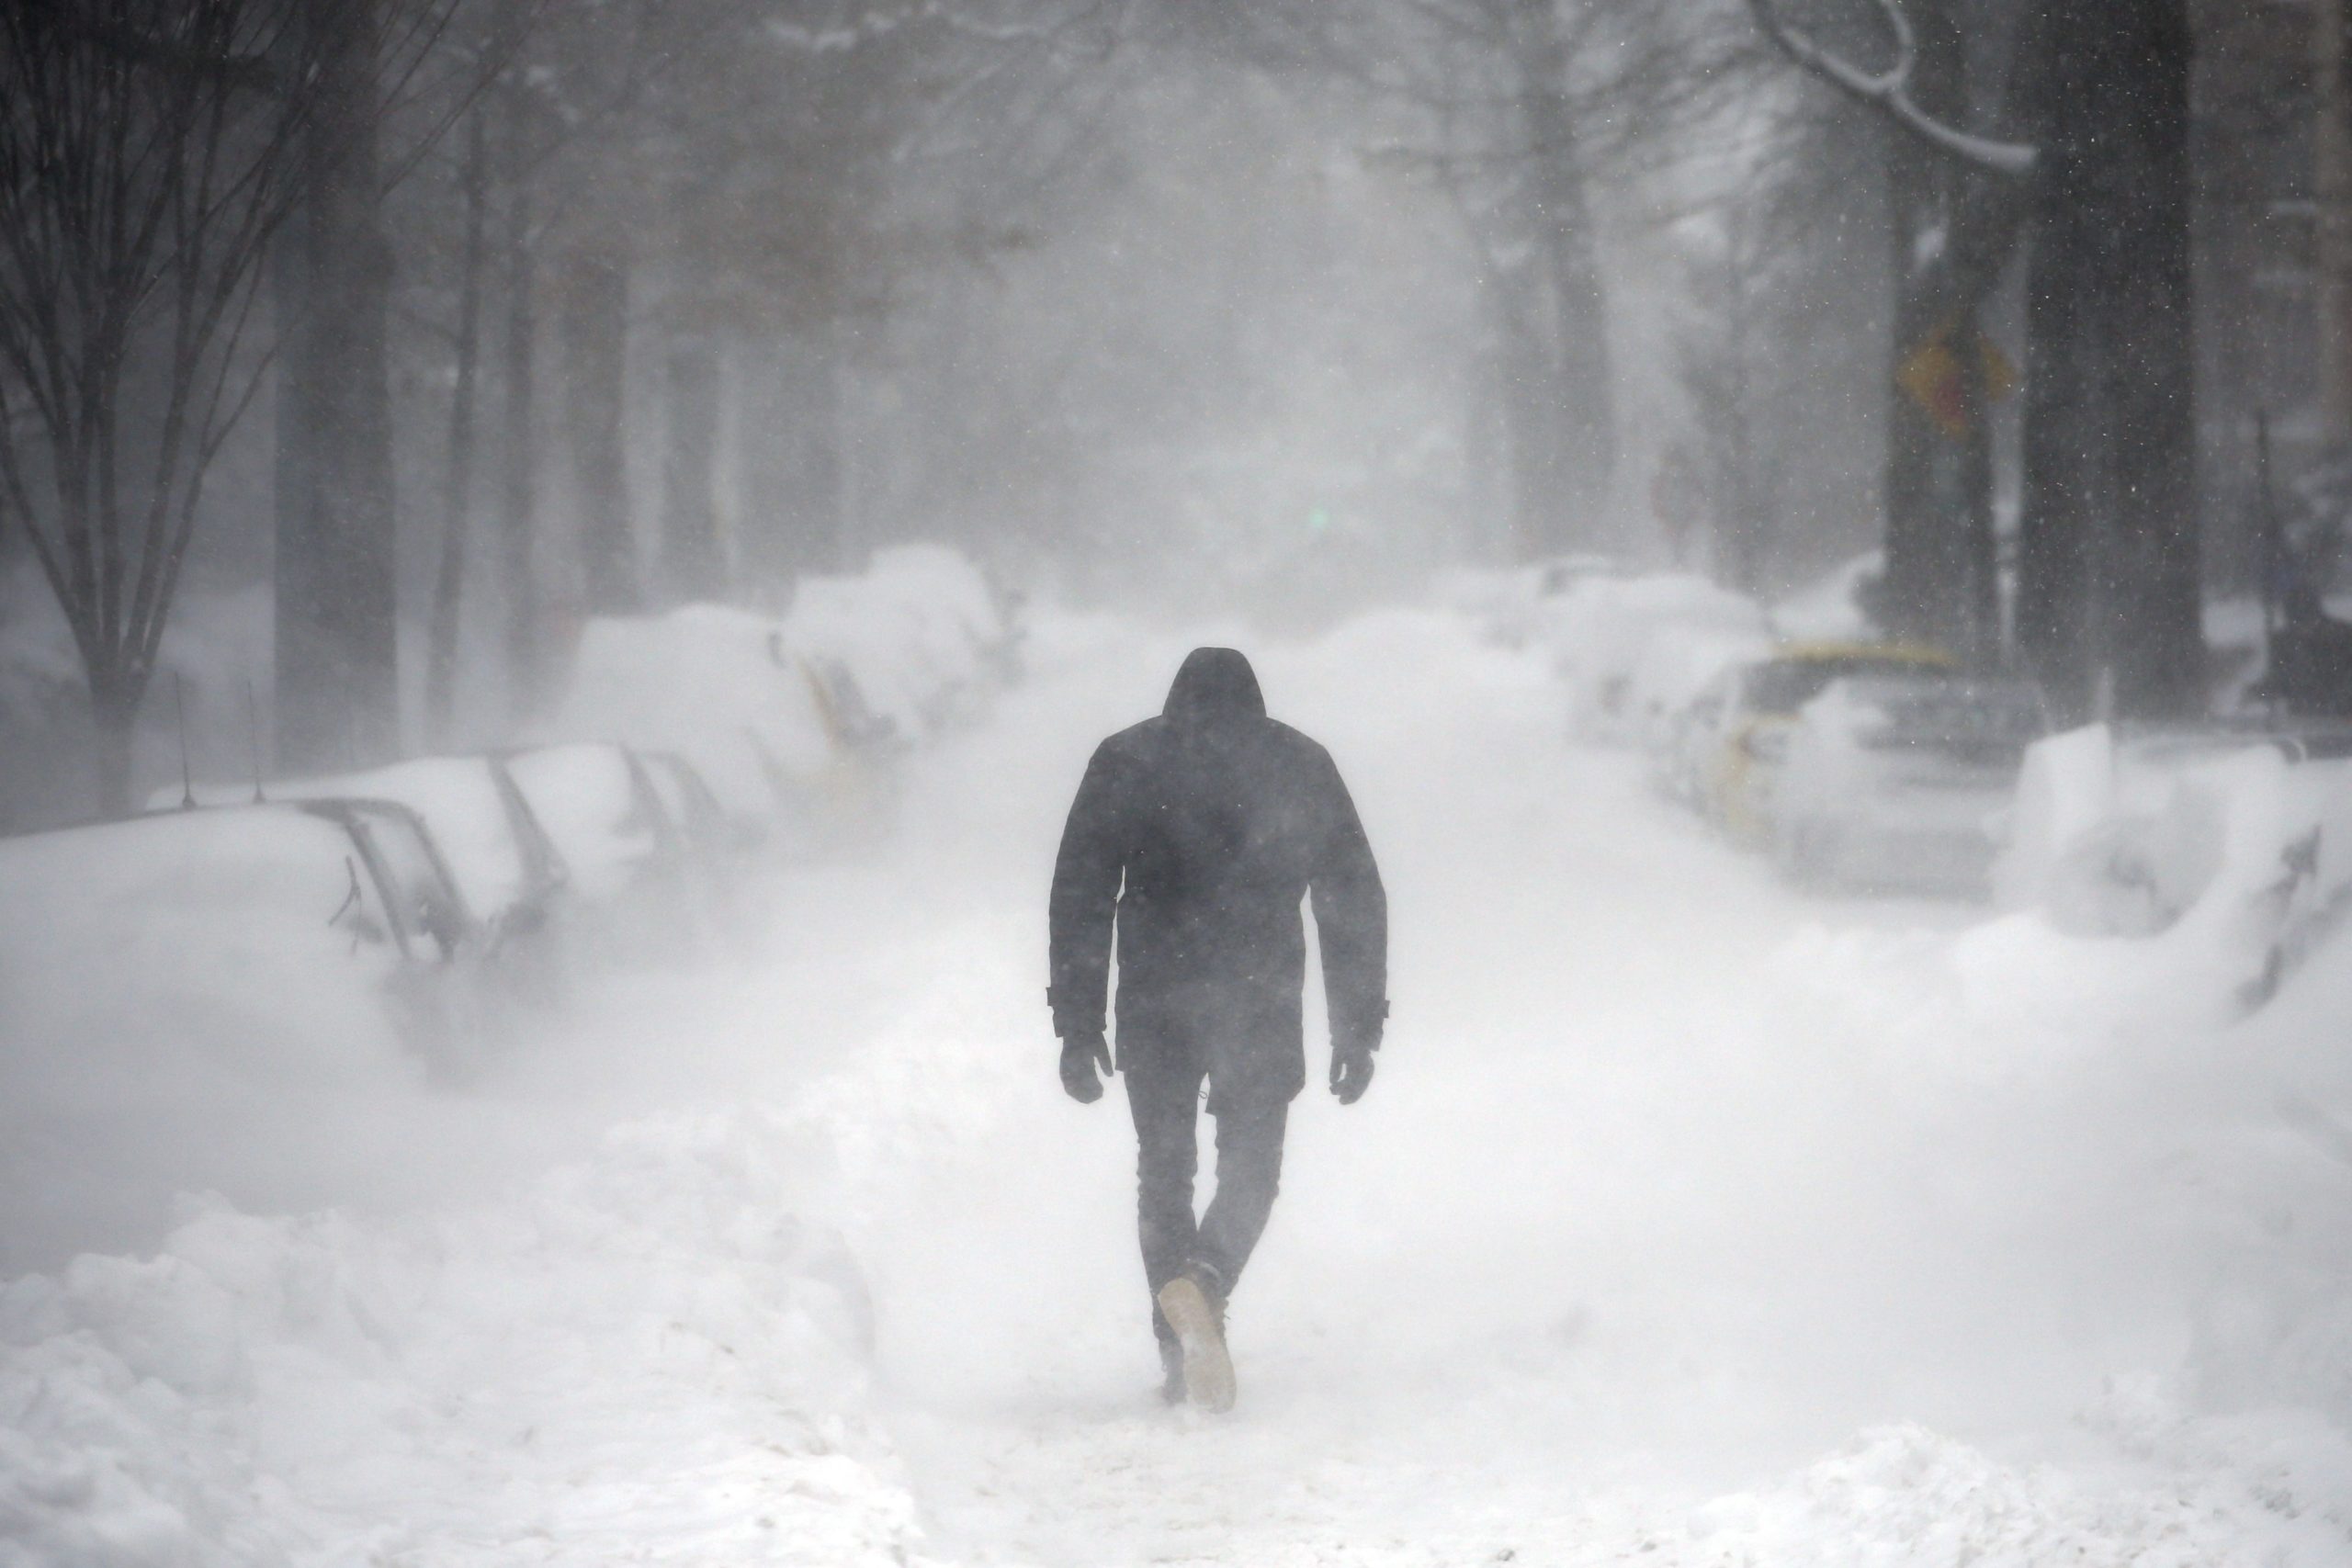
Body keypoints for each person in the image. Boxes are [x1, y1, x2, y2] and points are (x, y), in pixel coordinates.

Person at [1048, 647, 1387, 1412]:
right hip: (1258, 992)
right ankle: (1206, 1279)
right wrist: (1357, 1025)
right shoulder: (1300, 764)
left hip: (1155, 994)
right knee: (1252, 1171)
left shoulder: (1128, 760)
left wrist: (1077, 1023)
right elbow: (1350, 896)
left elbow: (1082, 894)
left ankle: (1177, 1353)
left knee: (1163, 1172)